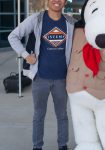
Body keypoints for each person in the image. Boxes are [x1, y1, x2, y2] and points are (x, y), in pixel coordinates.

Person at [8, 0, 75, 150]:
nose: (57, 1)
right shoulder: (36, 19)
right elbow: (13, 36)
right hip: (40, 78)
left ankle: (62, 145)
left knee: (62, 115)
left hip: (62, 79)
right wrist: (26, 55)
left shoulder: (71, 23)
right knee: (38, 116)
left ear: (65, 1)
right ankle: (37, 146)